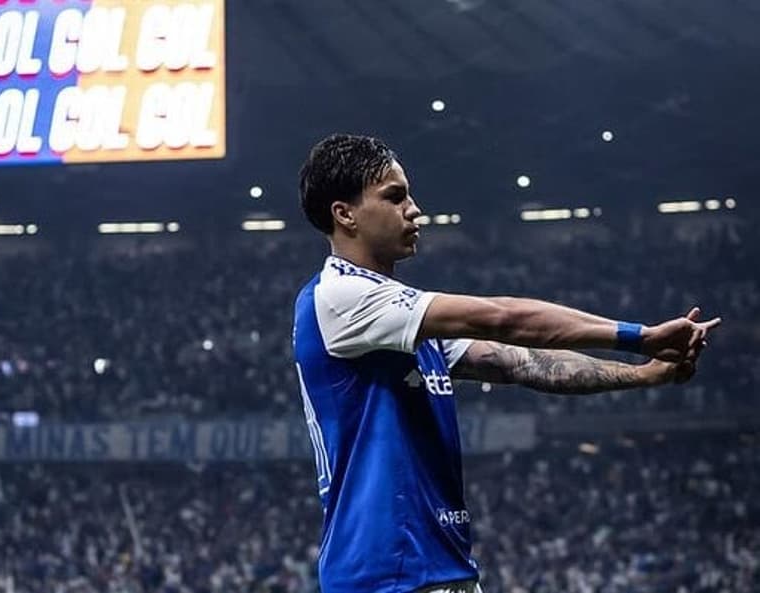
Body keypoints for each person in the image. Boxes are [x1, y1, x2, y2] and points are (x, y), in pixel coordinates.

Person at [291, 133, 721, 593]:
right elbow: (504, 320)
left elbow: (519, 363)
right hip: (387, 575)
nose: (414, 210)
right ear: (344, 214)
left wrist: (645, 374)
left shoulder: (396, 316)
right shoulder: (340, 296)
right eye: (395, 197)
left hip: (438, 569)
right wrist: (640, 336)